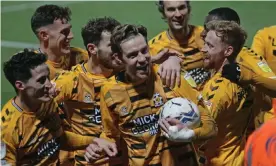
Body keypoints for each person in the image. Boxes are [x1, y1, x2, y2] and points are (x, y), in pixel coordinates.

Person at [84, 24, 217, 165]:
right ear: (119, 58)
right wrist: (98, 146)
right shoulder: (110, 91)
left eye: (144, 51)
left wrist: (189, 134)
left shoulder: (171, 76)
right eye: (133, 55)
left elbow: (211, 127)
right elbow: (110, 135)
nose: (142, 59)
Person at [0, 49, 100, 165]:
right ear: (20, 85)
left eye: (48, 77)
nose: (49, 84)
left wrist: (94, 141)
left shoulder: (46, 101)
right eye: (41, 80)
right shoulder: (6, 130)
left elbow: (60, 138)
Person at [52, 17, 127, 166]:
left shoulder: (128, 73)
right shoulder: (71, 80)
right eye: (112, 46)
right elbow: (35, 113)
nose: (119, 51)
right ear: (92, 49)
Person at [198, 20, 259, 165]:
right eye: (205, 43)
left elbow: (202, 131)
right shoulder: (246, 78)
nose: (203, 49)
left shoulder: (218, 88)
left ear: (228, 51)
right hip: (239, 158)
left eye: (210, 46)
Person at [149, 0, 210, 89]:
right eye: (171, 9)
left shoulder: (206, 36)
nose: (178, 14)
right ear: (164, 13)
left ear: (188, 9)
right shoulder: (153, 47)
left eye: (181, 8)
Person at [31, 4, 89, 79]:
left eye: (69, 29)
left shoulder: (81, 57)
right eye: (64, 32)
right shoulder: (35, 71)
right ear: (44, 35)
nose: (71, 36)